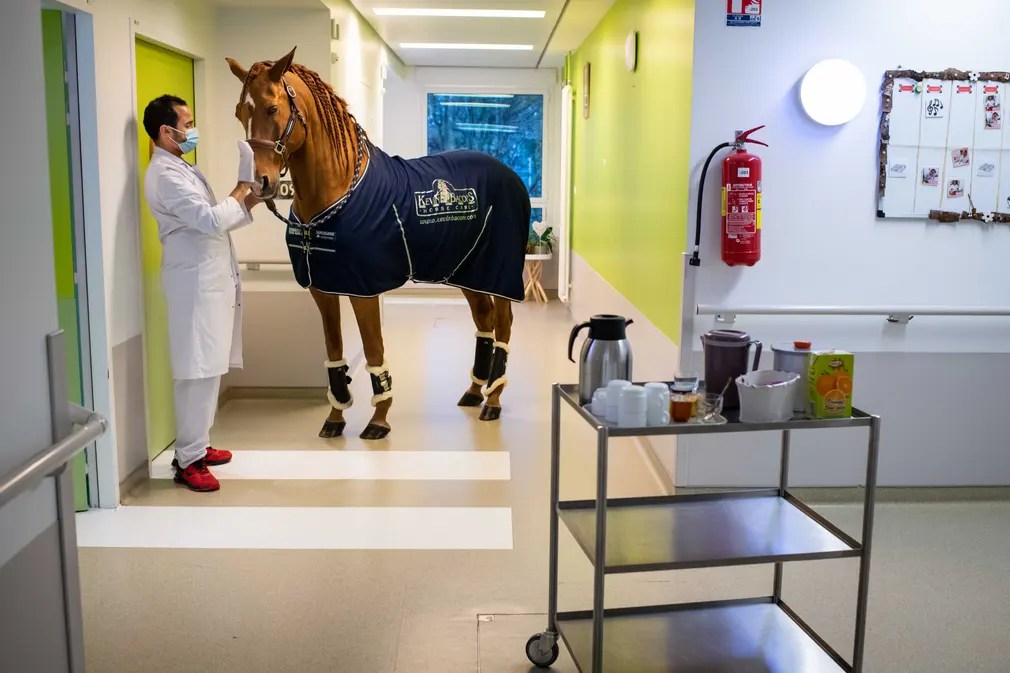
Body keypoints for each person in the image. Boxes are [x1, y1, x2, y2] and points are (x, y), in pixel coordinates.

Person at [142, 94, 261, 492]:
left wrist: (250, 197)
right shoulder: (165, 175)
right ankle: (187, 460)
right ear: (167, 131)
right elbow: (209, 220)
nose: (192, 130)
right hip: (193, 285)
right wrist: (241, 188)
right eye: (187, 123)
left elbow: (215, 219)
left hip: (208, 280)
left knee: (209, 366)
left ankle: (199, 444)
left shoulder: (182, 168)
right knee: (195, 371)